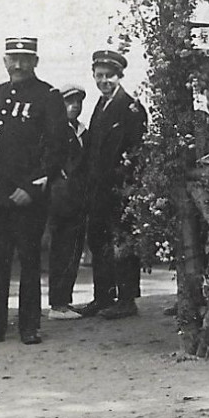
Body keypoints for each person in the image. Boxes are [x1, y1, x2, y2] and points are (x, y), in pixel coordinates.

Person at [0, 37, 68, 347]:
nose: (18, 65)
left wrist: (32, 186)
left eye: (25, 59)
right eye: (12, 58)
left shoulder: (47, 96)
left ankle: (29, 326)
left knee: (29, 263)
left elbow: (57, 147)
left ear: (35, 62)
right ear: (4, 61)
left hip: (26, 198)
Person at [75, 49, 148, 320]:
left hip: (120, 188)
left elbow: (137, 151)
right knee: (98, 240)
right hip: (98, 188)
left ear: (120, 76)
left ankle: (127, 299)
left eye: (109, 76)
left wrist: (122, 180)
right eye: (100, 76)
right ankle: (103, 296)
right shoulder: (100, 105)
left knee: (123, 241)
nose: (104, 81)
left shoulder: (131, 108)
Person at [45, 84, 90, 318]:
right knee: (62, 249)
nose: (74, 107)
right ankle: (58, 303)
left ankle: (65, 300)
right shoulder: (57, 130)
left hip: (78, 199)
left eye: (78, 102)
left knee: (72, 249)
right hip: (62, 199)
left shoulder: (81, 130)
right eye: (69, 102)